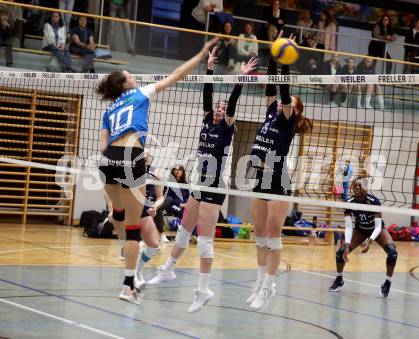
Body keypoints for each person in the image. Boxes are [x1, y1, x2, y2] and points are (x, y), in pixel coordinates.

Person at [97, 37, 217, 304]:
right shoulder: (139, 94)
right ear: (125, 84)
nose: (134, 77)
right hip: (131, 155)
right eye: (130, 76)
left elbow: (103, 145)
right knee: (131, 228)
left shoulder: (109, 109)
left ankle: (126, 259)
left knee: (118, 214)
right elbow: (176, 75)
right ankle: (128, 285)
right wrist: (200, 54)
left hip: (108, 160)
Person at [146, 50, 257, 313]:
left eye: (222, 108)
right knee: (184, 231)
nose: (219, 110)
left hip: (215, 186)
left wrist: (239, 79)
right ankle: (168, 270)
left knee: (205, 240)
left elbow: (232, 105)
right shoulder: (207, 120)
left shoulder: (227, 127)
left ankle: (203, 289)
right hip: (198, 182)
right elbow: (206, 95)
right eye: (217, 108)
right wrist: (208, 69)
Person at [246, 32, 313, 311]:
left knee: (273, 236)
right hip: (259, 175)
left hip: (278, 178)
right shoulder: (271, 111)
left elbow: (283, 89)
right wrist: (275, 55)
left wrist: (285, 59)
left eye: (291, 101)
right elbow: (272, 88)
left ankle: (270, 286)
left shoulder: (287, 119)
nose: (287, 101)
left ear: (295, 110)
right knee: (259, 234)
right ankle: (259, 282)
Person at [329, 177, 397, 298]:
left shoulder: (374, 201)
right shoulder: (349, 202)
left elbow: (377, 226)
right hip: (360, 230)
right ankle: (339, 279)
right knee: (340, 252)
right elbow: (349, 226)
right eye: (355, 186)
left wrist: (369, 242)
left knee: (392, 253)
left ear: (365, 188)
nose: (356, 188)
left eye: (359, 186)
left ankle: (387, 283)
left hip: (376, 229)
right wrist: (346, 245)